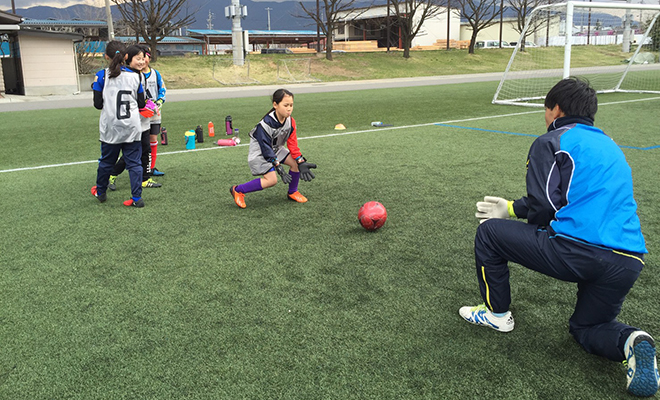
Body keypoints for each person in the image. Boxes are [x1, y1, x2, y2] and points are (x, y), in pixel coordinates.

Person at [459, 77, 658, 397]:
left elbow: (545, 206)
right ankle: (632, 341)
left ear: (556, 109)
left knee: (488, 233)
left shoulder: (551, 140)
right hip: (628, 261)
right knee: (586, 329)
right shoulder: (610, 145)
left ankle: (497, 315)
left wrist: (511, 214)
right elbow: (573, 197)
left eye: (546, 109)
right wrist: (510, 208)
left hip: (576, 251)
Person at [230, 88, 317, 209]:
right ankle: (238, 190)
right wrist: (279, 167)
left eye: (291, 105)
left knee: (295, 164)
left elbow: (292, 143)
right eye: (285, 105)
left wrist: (300, 160)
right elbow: (266, 149)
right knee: (272, 180)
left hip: (276, 149)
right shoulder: (264, 125)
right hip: (260, 153)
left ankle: (292, 192)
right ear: (275, 105)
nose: (289, 108)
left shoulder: (291, 122)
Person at [90, 41, 146, 208]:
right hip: (131, 126)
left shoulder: (101, 76)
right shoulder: (136, 76)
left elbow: (98, 104)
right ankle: (137, 198)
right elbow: (141, 103)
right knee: (134, 163)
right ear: (126, 57)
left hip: (111, 126)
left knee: (106, 162)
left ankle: (101, 192)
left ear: (106, 56)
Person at [107, 45, 162, 190]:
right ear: (128, 59)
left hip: (143, 121)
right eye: (138, 58)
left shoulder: (141, 75)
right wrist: (143, 108)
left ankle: (144, 178)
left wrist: (152, 105)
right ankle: (111, 174)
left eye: (143, 58)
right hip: (130, 121)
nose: (142, 61)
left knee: (145, 150)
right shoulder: (127, 76)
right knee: (132, 152)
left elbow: (143, 98)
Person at [140, 44, 166, 177]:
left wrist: (159, 101)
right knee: (140, 141)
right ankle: (140, 168)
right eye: (140, 57)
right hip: (140, 114)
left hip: (154, 113)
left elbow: (162, 89)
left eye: (146, 57)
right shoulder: (135, 75)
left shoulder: (155, 74)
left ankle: (151, 167)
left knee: (153, 138)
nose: (143, 60)